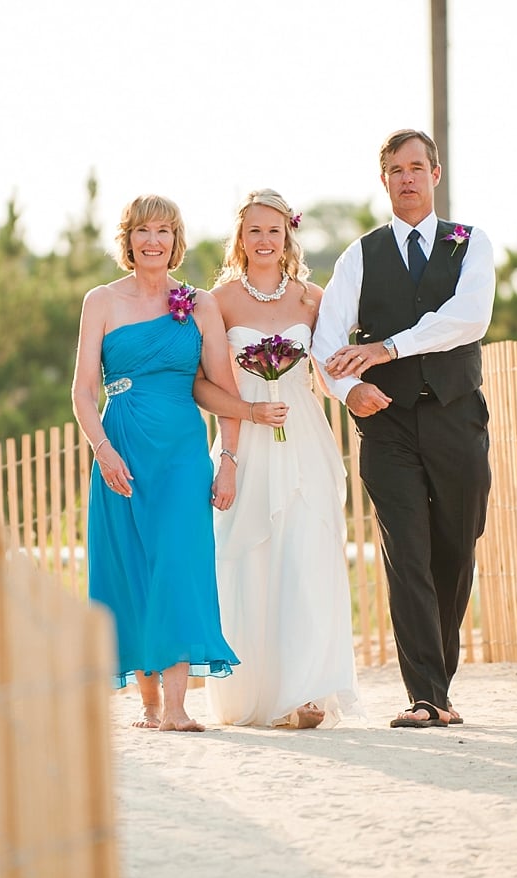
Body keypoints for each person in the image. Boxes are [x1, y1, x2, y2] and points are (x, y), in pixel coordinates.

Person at [312, 129, 496, 729]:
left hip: (456, 414)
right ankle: (426, 695)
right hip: (386, 425)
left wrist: (389, 347)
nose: (407, 178)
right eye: (395, 169)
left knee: (456, 546)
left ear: (435, 174)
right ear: (384, 180)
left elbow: (467, 320)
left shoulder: (470, 244)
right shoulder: (360, 255)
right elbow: (325, 342)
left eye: (417, 166)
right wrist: (350, 389)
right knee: (406, 554)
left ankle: (438, 679)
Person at [71, 194, 248, 733]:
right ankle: (149, 707)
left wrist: (230, 460)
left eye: (164, 231)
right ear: (128, 240)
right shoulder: (100, 301)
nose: (154, 241)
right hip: (120, 451)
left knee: (177, 564)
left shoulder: (199, 304)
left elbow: (223, 388)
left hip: (180, 454)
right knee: (131, 569)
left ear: (177, 241)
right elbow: (81, 393)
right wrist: (103, 452)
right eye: (144, 231)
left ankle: (176, 707)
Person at [199, 189, 362, 729]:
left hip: (304, 437)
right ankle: (258, 691)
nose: (264, 240)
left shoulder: (313, 299)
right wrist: (235, 441)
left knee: (306, 555)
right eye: (254, 231)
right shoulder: (217, 303)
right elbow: (203, 386)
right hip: (248, 440)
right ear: (240, 240)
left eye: (274, 230)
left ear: (287, 235)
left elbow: (332, 367)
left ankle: (307, 689)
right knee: (252, 558)